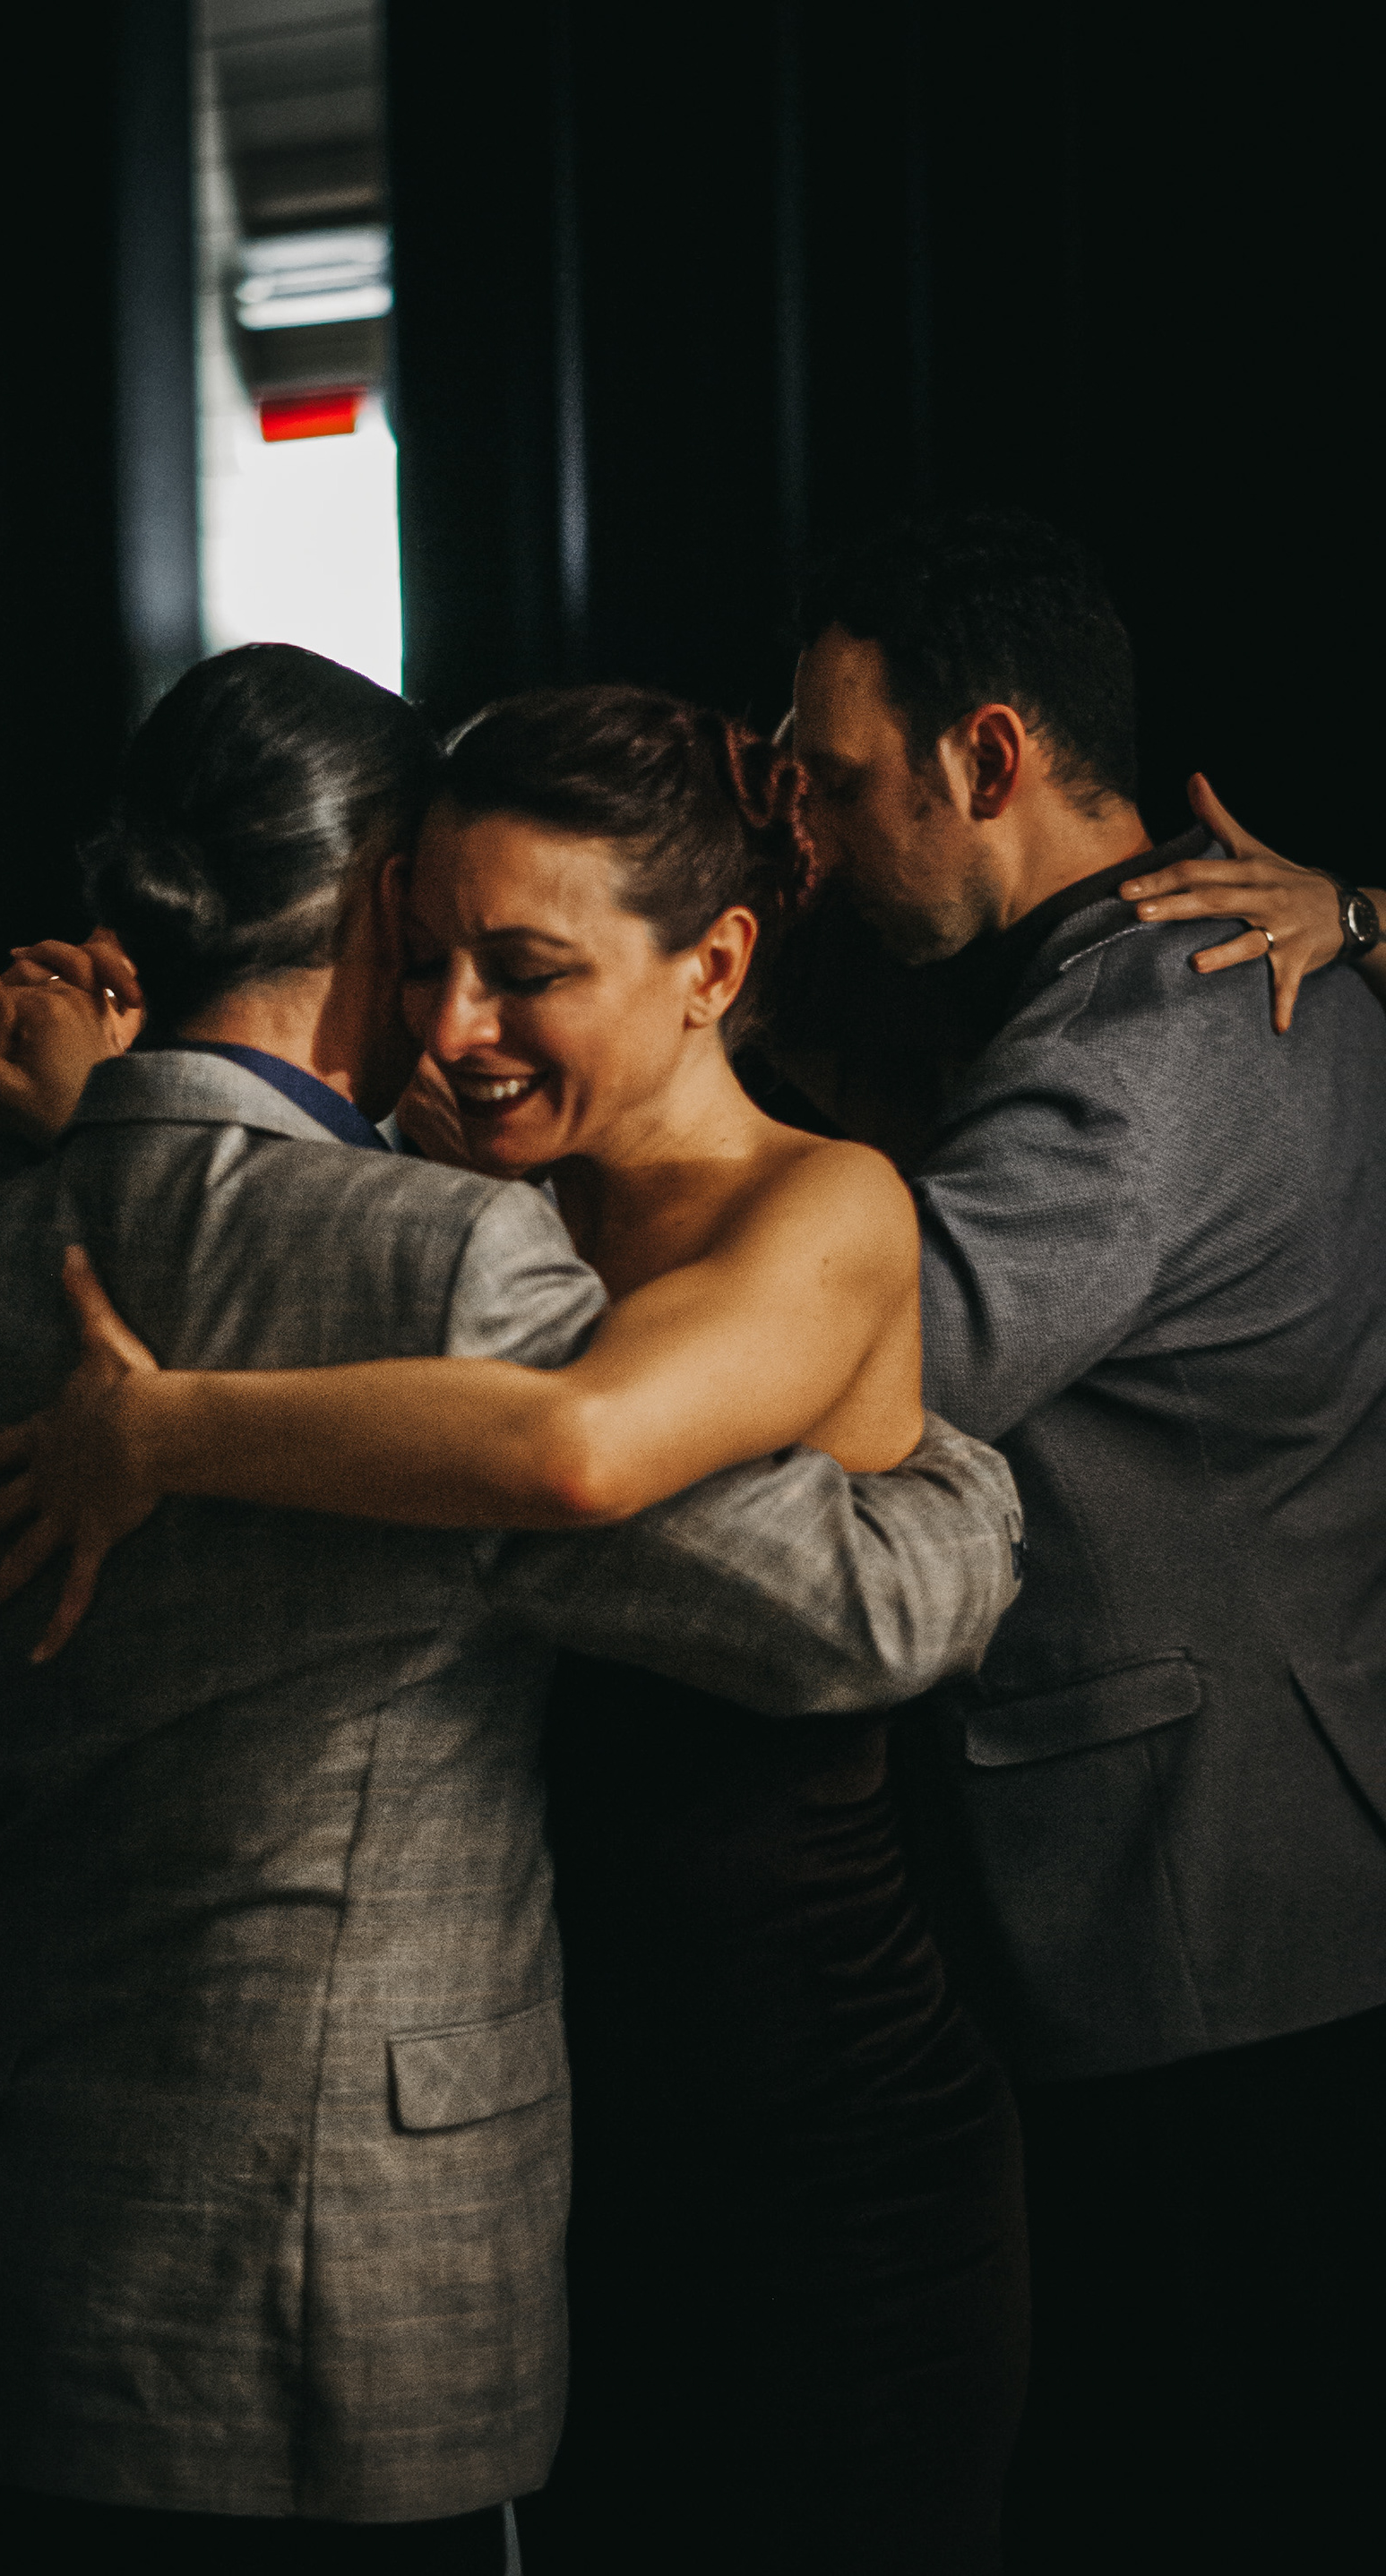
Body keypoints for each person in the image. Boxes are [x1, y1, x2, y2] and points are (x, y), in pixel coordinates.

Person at [0, 645, 1024, 2574]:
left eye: (517, 965)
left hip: (10, 2236)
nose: (457, 1021)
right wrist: (969, 1484)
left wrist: (58, 1189)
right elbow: (851, 1611)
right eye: (440, 951)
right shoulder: (447, 1250)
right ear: (381, 902)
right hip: (330, 2270)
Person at [779, 510, 1386, 2573]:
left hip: (1197, 1890)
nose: (816, 843)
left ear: (988, 755)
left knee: (1196, 2479)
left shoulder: (1137, 1038)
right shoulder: (1263, 963)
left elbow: (892, 1369)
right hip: (1286, 1837)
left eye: (838, 782)